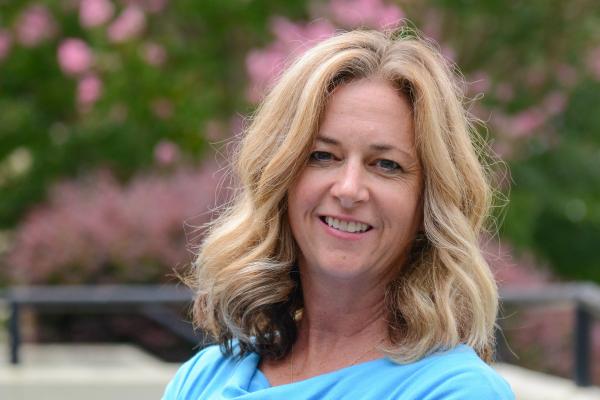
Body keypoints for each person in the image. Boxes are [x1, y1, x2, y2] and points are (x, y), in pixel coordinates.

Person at [163, 27, 515, 399]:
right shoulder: (202, 379)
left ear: (429, 202)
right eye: (323, 156)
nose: (348, 189)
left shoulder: (454, 390)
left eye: (386, 165)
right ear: (282, 180)